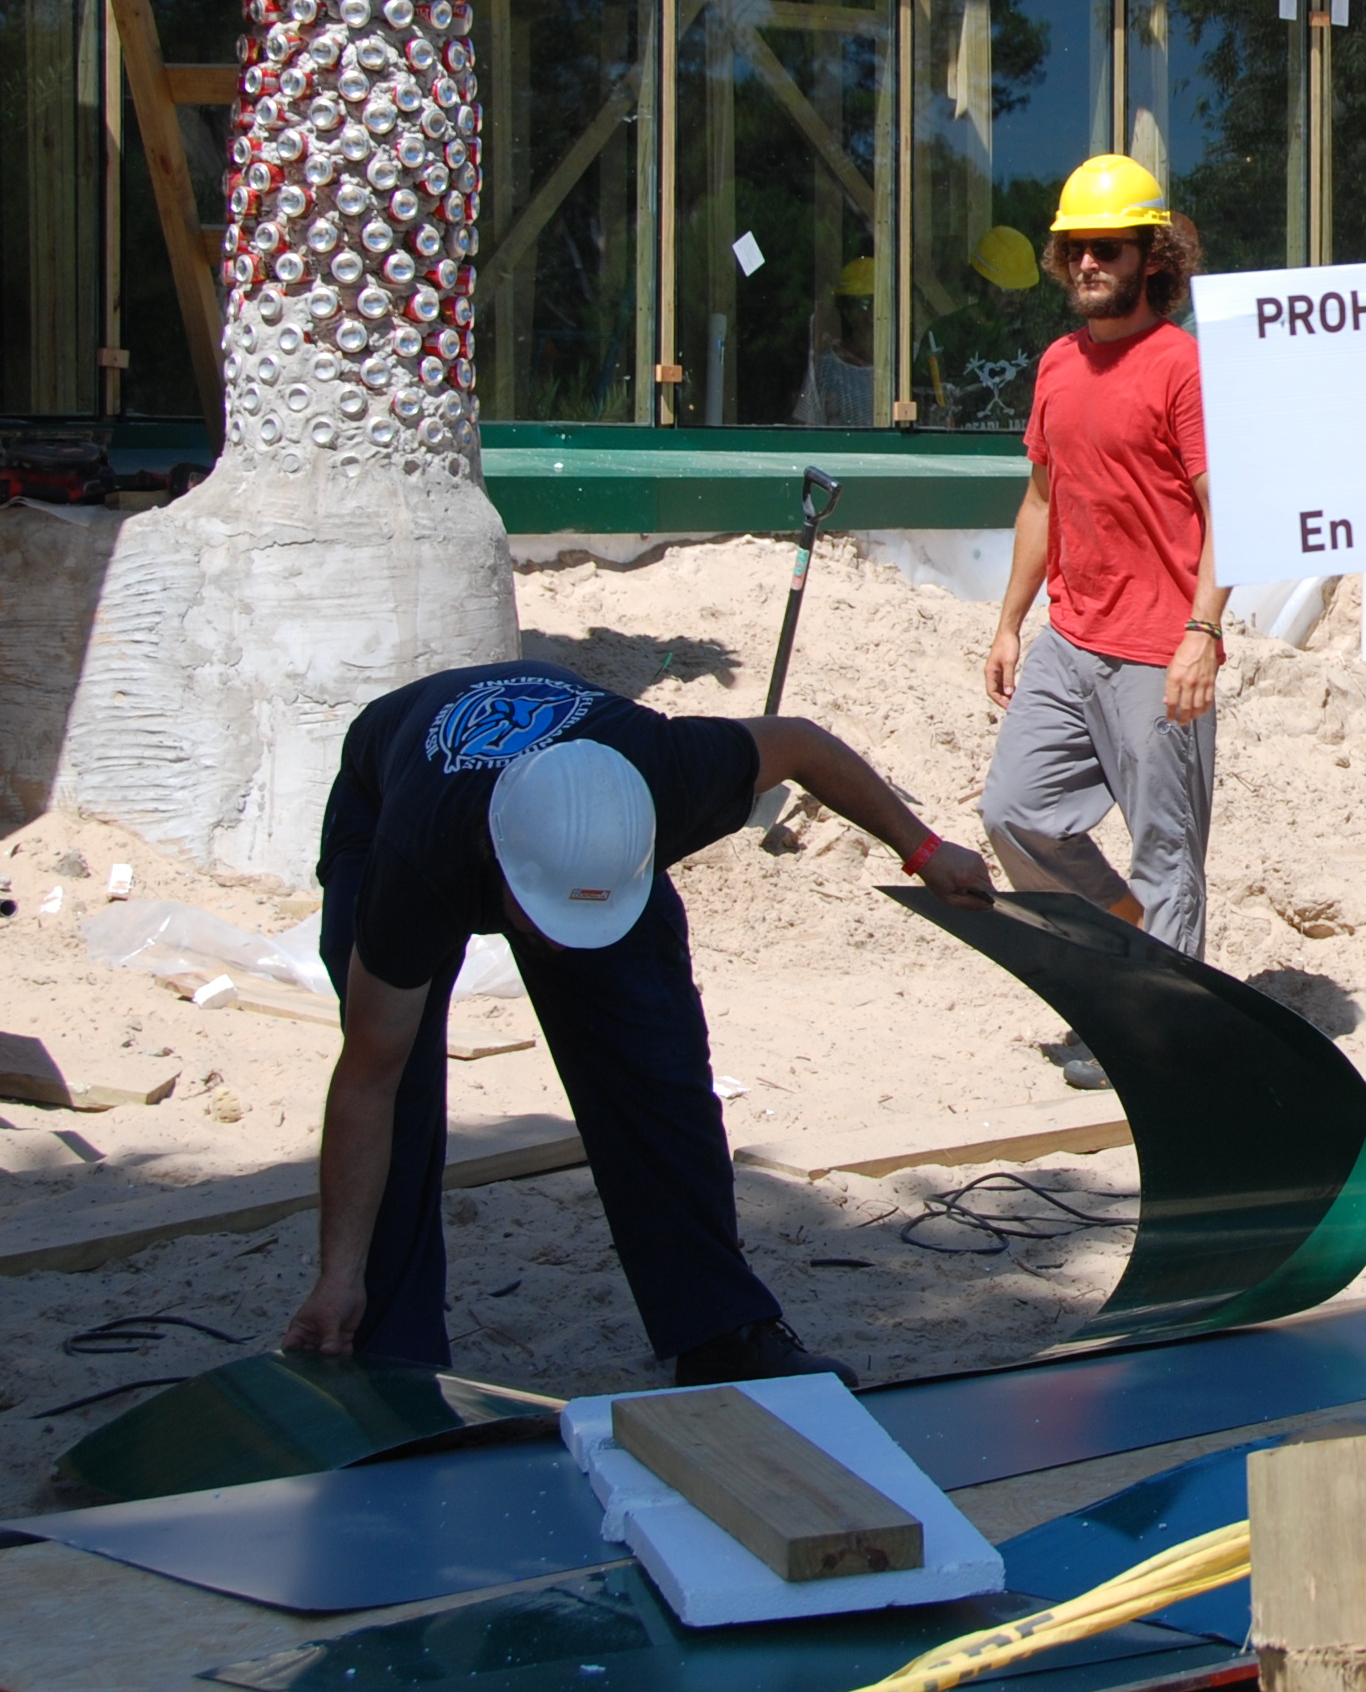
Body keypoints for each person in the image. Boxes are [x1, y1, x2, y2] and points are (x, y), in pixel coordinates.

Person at [282, 660, 993, 1378]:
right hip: (393, 785)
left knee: (655, 1063)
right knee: (397, 1079)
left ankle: (721, 1331)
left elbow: (805, 745)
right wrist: (337, 1273)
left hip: (592, 812)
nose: (563, 943)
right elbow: (368, 1081)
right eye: (550, 917)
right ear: (500, 866)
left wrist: (923, 849)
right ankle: (378, 1340)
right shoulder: (418, 862)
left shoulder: (666, 770)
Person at [980, 155, 1227, 1088]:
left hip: (1161, 655)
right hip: (1068, 641)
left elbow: (1228, 511)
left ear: (1149, 258)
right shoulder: (1056, 364)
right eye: (1074, 248)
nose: (1087, 264)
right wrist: (1010, 620)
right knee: (1015, 813)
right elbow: (1041, 500)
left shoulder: (1183, 369)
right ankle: (1132, 958)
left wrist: (1201, 634)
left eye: (1107, 249)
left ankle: (1168, 1040)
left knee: (1167, 857)